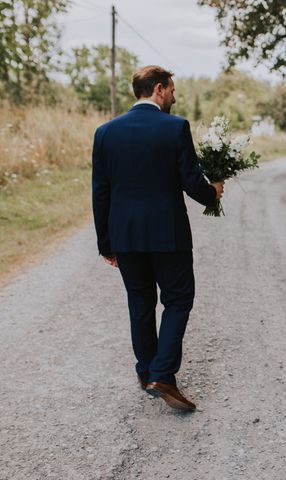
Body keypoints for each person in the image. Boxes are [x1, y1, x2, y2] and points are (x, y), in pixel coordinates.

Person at [91, 65, 224, 412]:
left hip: (125, 235)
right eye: (172, 90)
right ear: (160, 89)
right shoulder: (175, 127)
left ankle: (146, 370)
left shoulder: (105, 132)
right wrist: (214, 192)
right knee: (178, 300)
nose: (175, 97)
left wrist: (106, 242)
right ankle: (162, 374)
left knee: (140, 302)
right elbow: (191, 182)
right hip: (168, 234)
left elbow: (100, 192)